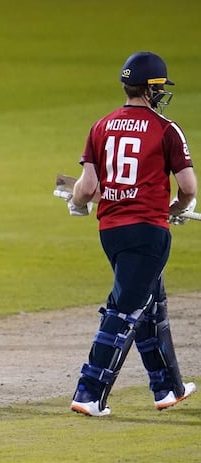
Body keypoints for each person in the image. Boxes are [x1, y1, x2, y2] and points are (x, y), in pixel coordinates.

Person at [67, 51, 197, 417]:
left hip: (112, 231)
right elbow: (188, 186)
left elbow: (87, 187)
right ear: (152, 89)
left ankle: (166, 387)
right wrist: (178, 207)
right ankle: (89, 392)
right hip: (148, 231)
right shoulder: (166, 128)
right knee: (125, 310)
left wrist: (77, 203)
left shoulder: (101, 125)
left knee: (149, 306)